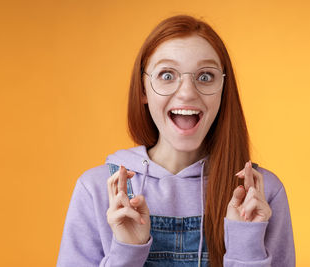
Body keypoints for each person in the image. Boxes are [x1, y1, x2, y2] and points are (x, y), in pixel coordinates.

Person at [57, 15, 295, 267]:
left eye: (205, 76)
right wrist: (126, 252)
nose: (187, 92)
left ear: (224, 91)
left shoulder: (261, 195)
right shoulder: (95, 190)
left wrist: (246, 246)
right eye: (167, 75)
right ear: (142, 90)